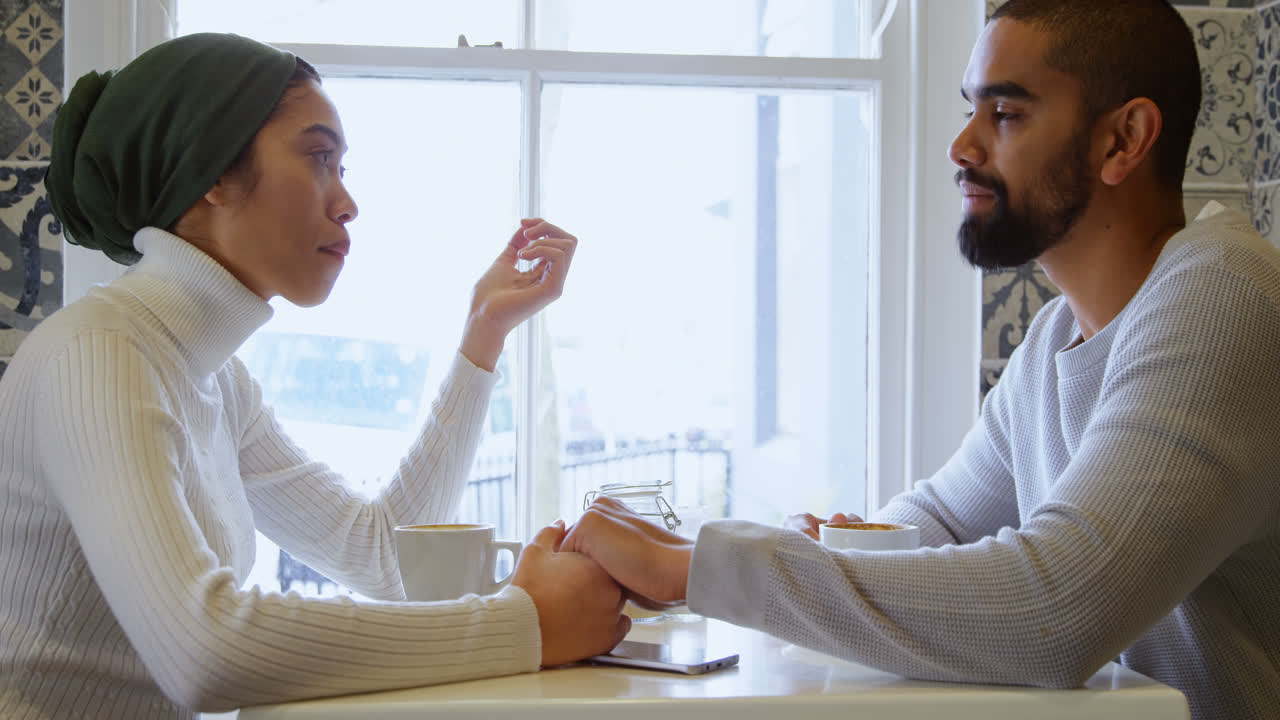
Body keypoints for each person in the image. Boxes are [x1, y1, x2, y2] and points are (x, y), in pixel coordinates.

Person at [562, 2, 1280, 719]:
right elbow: (936, 521)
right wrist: (828, 551)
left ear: (1123, 140)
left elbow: (1059, 609)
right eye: (972, 108)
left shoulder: (1226, 294)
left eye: (1005, 114)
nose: (961, 146)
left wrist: (699, 566)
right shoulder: (1058, 337)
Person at [0, 32, 628, 720]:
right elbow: (204, 653)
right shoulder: (97, 354)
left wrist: (484, 332)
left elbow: (383, 556)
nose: (347, 201)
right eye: (319, 157)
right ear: (211, 170)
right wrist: (524, 626)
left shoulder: (214, 378)